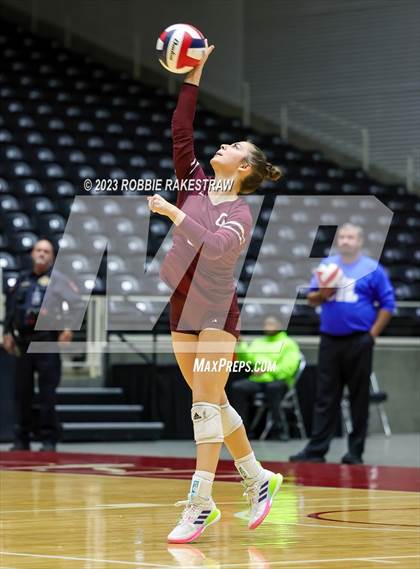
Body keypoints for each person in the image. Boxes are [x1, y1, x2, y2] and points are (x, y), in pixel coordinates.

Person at [147, 42, 283, 544]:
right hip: (181, 303)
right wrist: (195, 73)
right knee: (214, 400)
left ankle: (201, 502)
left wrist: (173, 214)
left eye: (233, 149)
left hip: (215, 312)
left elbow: (214, 247)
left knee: (203, 406)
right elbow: (182, 129)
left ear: (244, 169)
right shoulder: (195, 181)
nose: (220, 148)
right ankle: (257, 477)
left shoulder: (241, 214)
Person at [290, 223, 395, 465]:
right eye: (343, 237)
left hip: (359, 340)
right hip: (330, 340)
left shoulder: (372, 269)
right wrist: (323, 294)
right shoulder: (327, 266)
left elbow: (388, 305)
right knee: (325, 396)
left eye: (351, 237)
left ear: (360, 241)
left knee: (359, 397)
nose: (346, 240)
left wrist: (372, 335)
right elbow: (312, 300)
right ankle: (317, 450)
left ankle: (355, 452)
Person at [3, 239, 80, 452]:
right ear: (32, 253)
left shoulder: (60, 280)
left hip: (47, 342)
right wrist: (6, 333)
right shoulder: (21, 280)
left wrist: (69, 329)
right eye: (38, 250)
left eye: (46, 251)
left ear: (52, 257)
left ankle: (48, 439)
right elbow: (10, 308)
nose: (42, 254)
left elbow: (76, 305)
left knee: (47, 393)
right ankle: (22, 438)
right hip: (23, 343)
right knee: (22, 393)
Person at [232, 315, 301, 440]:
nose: (267, 326)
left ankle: (280, 431)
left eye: (271, 324)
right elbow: (247, 359)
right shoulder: (259, 342)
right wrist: (240, 345)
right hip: (259, 381)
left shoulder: (288, 343)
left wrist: (267, 369)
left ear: (280, 325)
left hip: (279, 381)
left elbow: (289, 368)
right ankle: (242, 431)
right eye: (265, 324)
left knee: (273, 388)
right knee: (238, 387)